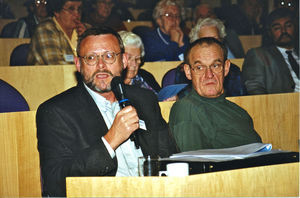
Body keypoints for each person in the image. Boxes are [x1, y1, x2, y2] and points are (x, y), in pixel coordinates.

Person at [36, 26, 178, 196]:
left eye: (109, 56)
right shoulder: (55, 111)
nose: (101, 65)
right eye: (91, 58)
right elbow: (56, 182)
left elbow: (169, 156)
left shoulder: (145, 99)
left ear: (124, 61)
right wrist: (110, 141)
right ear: (78, 64)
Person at [169, 37, 262, 152]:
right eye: (199, 67)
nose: (209, 75)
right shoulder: (186, 108)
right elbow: (195, 162)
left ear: (226, 68)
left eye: (215, 65)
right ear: (188, 72)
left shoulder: (240, 112)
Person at [242, 8, 299, 95]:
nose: (283, 31)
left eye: (288, 26)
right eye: (277, 28)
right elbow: (254, 88)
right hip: (281, 105)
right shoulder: (259, 55)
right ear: (269, 32)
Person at [27, 0, 87, 65]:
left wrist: (87, 40)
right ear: (57, 12)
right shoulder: (45, 30)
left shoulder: (86, 29)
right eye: (71, 9)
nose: (77, 13)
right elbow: (57, 64)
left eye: (79, 9)